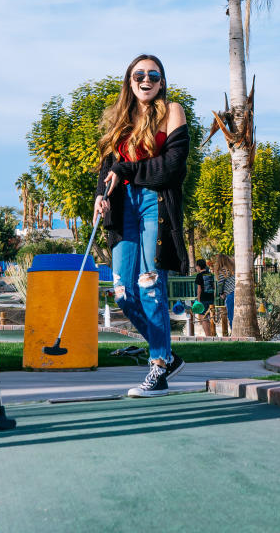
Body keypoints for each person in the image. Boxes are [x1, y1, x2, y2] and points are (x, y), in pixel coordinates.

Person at [95, 55, 190, 397]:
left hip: (155, 203)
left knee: (150, 286)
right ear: (130, 81)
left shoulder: (172, 111)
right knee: (123, 292)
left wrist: (126, 172)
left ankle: (159, 368)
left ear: (162, 82)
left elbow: (174, 166)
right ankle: (165, 353)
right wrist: (99, 195)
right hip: (123, 207)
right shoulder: (119, 119)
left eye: (154, 75)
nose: (146, 79)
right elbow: (109, 166)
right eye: (139, 74)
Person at [193, 258, 216, 336]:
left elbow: (199, 289)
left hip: (203, 298)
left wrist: (198, 300)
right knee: (210, 317)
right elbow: (213, 287)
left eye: (196, 266)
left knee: (203, 318)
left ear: (198, 267)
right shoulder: (210, 274)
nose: (196, 268)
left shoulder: (199, 275)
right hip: (211, 297)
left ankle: (208, 336)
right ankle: (212, 334)